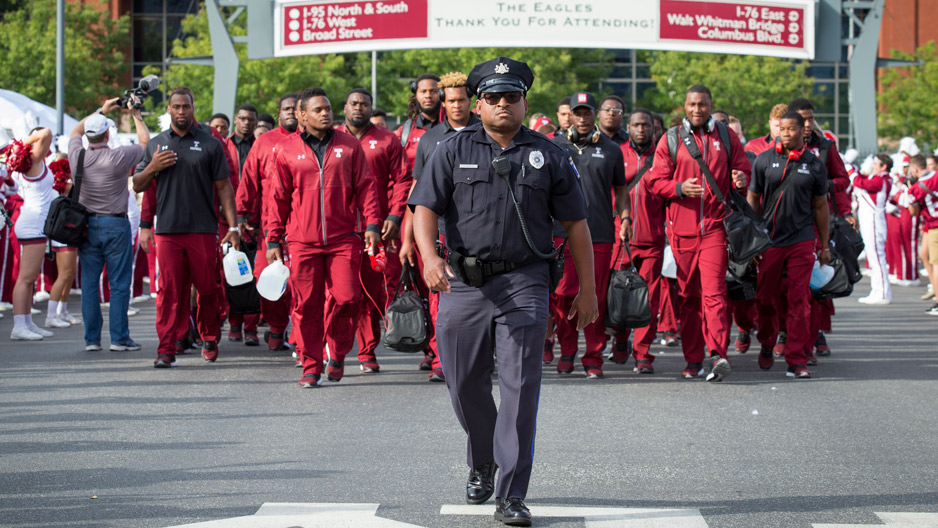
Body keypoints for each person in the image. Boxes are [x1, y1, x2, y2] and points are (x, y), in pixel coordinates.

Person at [409, 56, 597, 527]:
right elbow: (423, 208)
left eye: (511, 96)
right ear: (478, 103)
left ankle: (512, 494)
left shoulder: (550, 154)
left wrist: (589, 289)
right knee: (463, 382)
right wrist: (430, 259)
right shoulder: (451, 149)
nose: (502, 104)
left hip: (525, 281)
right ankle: (483, 459)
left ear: (523, 101)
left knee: (519, 387)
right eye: (493, 97)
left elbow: (576, 223)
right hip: (463, 283)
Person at [267, 87, 382, 387]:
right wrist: (273, 238)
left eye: (328, 108)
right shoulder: (286, 149)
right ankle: (311, 365)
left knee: (348, 299)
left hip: (343, 237)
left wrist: (372, 224)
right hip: (302, 241)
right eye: (318, 110)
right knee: (306, 306)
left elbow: (367, 187)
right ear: (302, 115)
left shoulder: (349, 145)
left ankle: (339, 351)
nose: (325, 113)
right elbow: (277, 197)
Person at [646, 84, 750, 382]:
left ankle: (718, 354)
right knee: (689, 297)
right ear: (685, 106)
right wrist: (679, 188)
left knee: (715, 294)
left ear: (710, 105)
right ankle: (693, 360)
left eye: (702, 104)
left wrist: (741, 178)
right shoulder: (671, 138)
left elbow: (743, 171)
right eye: (692, 104)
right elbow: (655, 181)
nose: (697, 109)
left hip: (715, 229)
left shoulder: (726, 137)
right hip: (681, 232)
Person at [133, 86, 240, 368]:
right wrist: (152, 166)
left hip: (203, 230)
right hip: (167, 231)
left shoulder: (209, 143)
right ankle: (166, 349)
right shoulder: (156, 144)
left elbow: (225, 188)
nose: (181, 111)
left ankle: (209, 337)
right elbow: (139, 185)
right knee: (168, 292)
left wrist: (234, 227)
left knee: (207, 289)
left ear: (193, 109)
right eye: (176, 107)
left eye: (186, 107)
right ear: (168, 109)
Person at [401, 71, 480, 381]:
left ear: (470, 101)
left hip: (480, 232)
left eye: (462, 100)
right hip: (442, 233)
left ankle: (476, 358)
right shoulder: (430, 140)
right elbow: (417, 194)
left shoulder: (486, 131)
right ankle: (441, 361)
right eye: (451, 101)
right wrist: (409, 240)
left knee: (478, 301)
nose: (456, 106)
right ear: (443, 103)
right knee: (440, 300)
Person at [747, 111, 830, 379]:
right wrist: (754, 238)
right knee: (766, 298)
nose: (785, 133)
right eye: (782, 128)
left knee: (799, 301)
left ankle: (796, 358)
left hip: (802, 240)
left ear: (803, 131)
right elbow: (753, 198)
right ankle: (768, 342)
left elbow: (821, 205)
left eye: (791, 129)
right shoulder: (763, 159)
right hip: (770, 241)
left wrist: (824, 244)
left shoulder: (815, 165)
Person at [551, 90, 628, 379]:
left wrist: (626, 217)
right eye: (578, 112)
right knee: (562, 295)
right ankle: (567, 350)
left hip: (599, 234)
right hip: (560, 233)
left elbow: (620, 190)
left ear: (595, 114)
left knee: (593, 295)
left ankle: (593, 355)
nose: (583, 117)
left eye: (587, 112)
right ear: (569, 114)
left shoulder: (611, 149)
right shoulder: (554, 146)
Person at [335, 87, 411, 375]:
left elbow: (403, 179)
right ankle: (335, 349)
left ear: (371, 108)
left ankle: (366, 351)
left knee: (370, 294)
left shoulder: (387, 140)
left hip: (374, 230)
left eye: (364, 104)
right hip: (336, 228)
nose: (359, 108)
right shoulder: (330, 138)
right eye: (353, 103)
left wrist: (393, 215)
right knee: (338, 296)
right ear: (345, 107)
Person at [70, 96, 150, 351]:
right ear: (107, 135)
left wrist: (100, 111)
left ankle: (91, 340)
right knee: (118, 284)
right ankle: (119, 338)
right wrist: (135, 114)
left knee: (90, 286)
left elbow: (75, 130)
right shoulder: (119, 156)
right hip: (115, 224)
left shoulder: (77, 155)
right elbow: (145, 143)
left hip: (87, 225)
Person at [235, 92, 299, 352]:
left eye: (296, 108)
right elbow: (249, 179)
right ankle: (276, 328)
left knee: (301, 283)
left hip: (302, 226)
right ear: (278, 112)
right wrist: (241, 214)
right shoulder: (264, 142)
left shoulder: (311, 142)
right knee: (267, 281)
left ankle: (300, 337)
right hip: (269, 227)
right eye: (286, 108)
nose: (291, 113)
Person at [611, 108, 664, 373]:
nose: (641, 129)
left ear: (654, 129)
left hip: (653, 239)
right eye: (636, 125)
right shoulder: (616, 153)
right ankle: (620, 339)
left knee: (649, 299)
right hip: (620, 238)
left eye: (646, 125)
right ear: (628, 127)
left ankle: (643, 354)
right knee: (617, 294)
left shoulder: (663, 156)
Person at [7, 127, 55, 340]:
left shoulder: (34, 161)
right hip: (33, 222)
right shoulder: (33, 161)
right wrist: (24, 142)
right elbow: (45, 133)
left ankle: (26, 321)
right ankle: (19, 326)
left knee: (30, 278)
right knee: (26, 279)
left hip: (34, 222)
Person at [222, 103, 260, 345]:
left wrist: (252, 218)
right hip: (227, 221)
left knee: (254, 276)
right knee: (232, 274)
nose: (247, 123)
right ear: (236, 119)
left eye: (251, 120)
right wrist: (233, 220)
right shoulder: (223, 147)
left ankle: (252, 328)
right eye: (243, 118)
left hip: (255, 221)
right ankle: (234, 324)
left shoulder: (262, 146)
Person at [852, 154, 894, 304]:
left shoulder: (881, 179)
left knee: (877, 259)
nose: (873, 166)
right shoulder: (881, 178)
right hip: (872, 223)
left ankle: (882, 293)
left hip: (875, 223)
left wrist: (851, 169)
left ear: (883, 167)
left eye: (876, 164)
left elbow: (857, 181)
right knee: (874, 258)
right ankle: (877, 291)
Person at [906, 154, 938, 313]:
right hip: (931, 227)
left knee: (936, 263)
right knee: (925, 255)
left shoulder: (916, 188)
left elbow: (914, 211)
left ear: (915, 169)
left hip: (934, 225)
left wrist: (909, 192)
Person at [395, 73, 441, 168]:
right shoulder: (403, 132)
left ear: (442, 94)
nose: (428, 95)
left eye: (433, 91)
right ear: (415, 95)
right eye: (423, 91)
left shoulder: (453, 127)